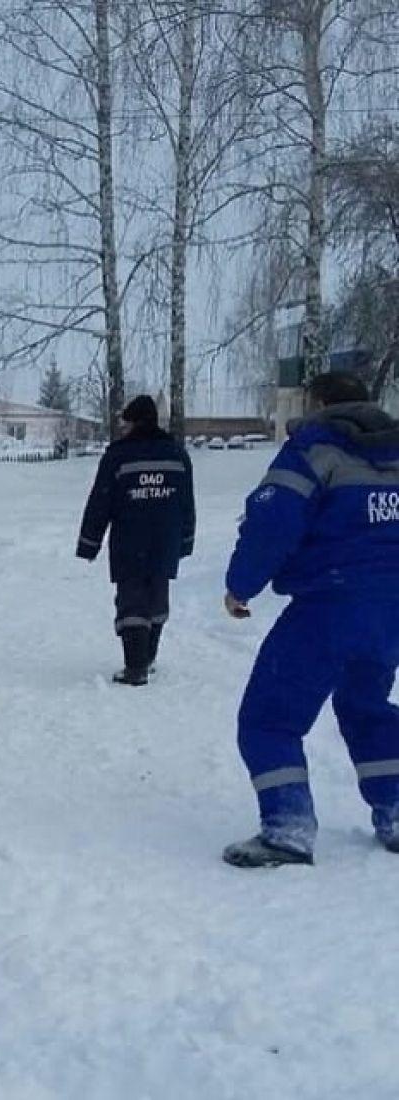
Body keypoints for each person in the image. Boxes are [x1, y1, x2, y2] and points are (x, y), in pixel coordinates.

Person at [222, 371, 399, 868]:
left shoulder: (316, 447)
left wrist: (241, 585)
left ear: (319, 403)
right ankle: (397, 809)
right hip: (392, 613)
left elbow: (272, 521)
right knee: (367, 706)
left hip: (330, 606)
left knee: (268, 717)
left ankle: (288, 829)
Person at [76, 395, 196, 685]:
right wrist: (186, 540)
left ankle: (135, 667)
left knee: (131, 602)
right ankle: (148, 658)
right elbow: (186, 502)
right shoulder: (177, 455)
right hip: (164, 541)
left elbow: (100, 502)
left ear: (133, 422)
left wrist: (89, 543)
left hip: (130, 541)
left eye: (125, 422)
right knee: (156, 599)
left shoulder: (119, 456)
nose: (123, 428)